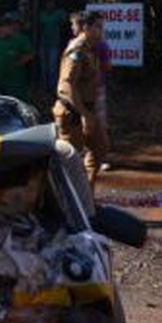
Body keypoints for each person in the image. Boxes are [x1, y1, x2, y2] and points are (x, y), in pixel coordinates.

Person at [52, 11, 108, 191]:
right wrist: (83, 114)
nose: (101, 31)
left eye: (102, 27)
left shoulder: (92, 48)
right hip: (72, 111)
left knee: (99, 147)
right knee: (70, 158)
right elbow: (67, 86)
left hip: (88, 109)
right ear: (86, 28)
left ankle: (86, 196)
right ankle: (66, 201)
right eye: (98, 27)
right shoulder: (77, 50)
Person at [0, 12, 35, 102]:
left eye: (10, 26)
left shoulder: (19, 39)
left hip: (15, 80)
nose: (11, 28)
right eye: (7, 27)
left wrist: (19, 62)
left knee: (17, 101)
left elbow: (31, 54)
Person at [36, 0, 69, 93]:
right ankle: (44, 86)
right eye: (48, 3)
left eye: (51, 3)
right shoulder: (41, 14)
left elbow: (65, 21)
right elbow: (38, 28)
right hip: (43, 43)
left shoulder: (59, 13)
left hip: (54, 43)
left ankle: (52, 87)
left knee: (52, 66)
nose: (50, 5)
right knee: (43, 66)